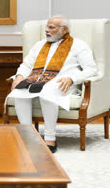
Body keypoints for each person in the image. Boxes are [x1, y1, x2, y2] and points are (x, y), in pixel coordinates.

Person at [6, 16, 98, 153]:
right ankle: (28, 135)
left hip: (62, 83)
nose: (46, 30)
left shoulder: (79, 45)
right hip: (36, 79)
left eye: (51, 27)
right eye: (47, 27)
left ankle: (50, 138)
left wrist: (72, 78)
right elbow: (27, 65)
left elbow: (91, 69)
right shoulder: (39, 45)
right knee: (20, 91)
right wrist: (19, 77)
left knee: (47, 91)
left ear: (64, 29)